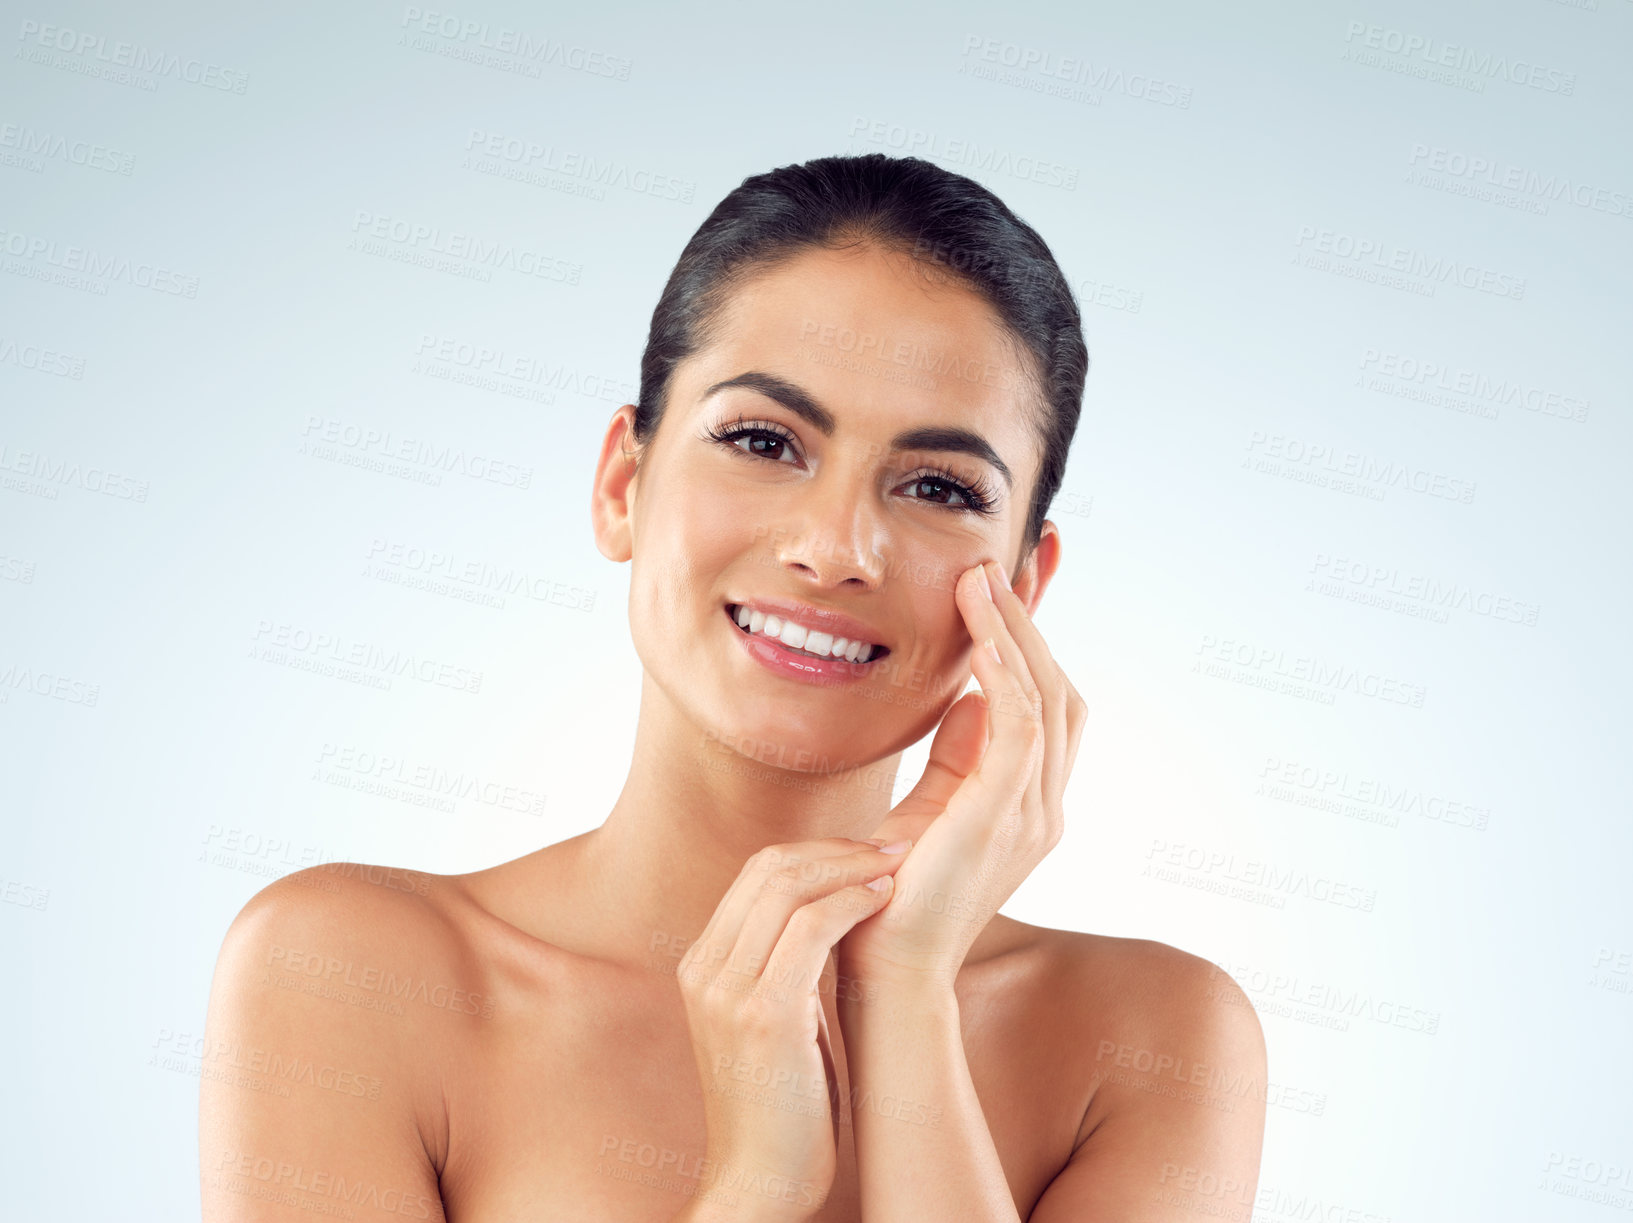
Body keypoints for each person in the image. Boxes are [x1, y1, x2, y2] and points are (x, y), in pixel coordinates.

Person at [199, 153, 1266, 1223]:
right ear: (623, 485)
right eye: (763, 439)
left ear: (1023, 584)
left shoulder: (1158, 1041)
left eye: (939, 486)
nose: (835, 546)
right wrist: (756, 1182)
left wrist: (902, 995)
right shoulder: (348, 973)